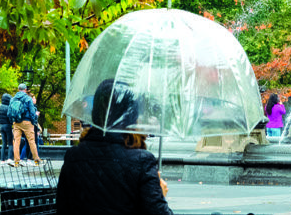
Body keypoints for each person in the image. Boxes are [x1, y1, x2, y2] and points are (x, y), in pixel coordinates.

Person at [55, 79, 172, 215]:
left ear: (96, 113)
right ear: (131, 116)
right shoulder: (142, 161)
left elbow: (62, 208)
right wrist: (160, 195)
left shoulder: (73, 157)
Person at [11, 85, 43, 167]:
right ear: (25, 90)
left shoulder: (13, 99)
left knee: (16, 141)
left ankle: (16, 161)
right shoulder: (28, 99)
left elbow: (9, 112)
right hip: (27, 122)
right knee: (31, 141)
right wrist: (33, 121)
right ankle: (36, 160)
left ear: (18, 89)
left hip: (16, 122)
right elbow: (32, 112)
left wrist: (13, 121)